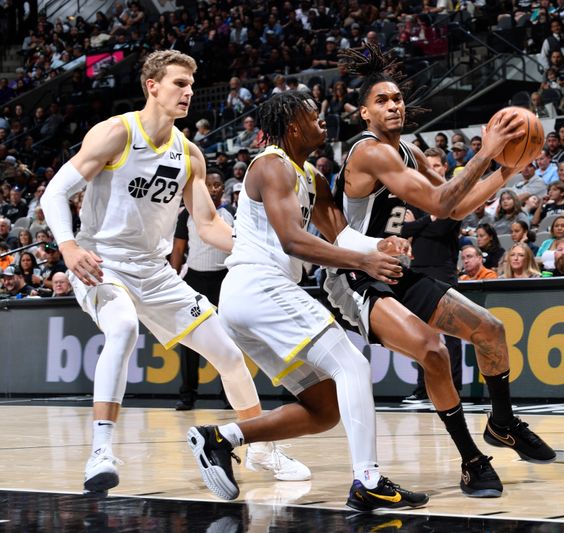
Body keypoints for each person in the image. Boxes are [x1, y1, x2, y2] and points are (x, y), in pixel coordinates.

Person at [40, 51, 305, 495]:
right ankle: (100, 451)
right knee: (122, 327)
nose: (188, 92)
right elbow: (54, 193)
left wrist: (259, 250)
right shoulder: (116, 133)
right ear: (153, 86)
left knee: (229, 353)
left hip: (156, 272)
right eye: (180, 83)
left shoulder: (190, 154)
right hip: (101, 262)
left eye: (190, 85)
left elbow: (207, 224)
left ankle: (259, 447)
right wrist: (67, 246)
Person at [326, 43, 556, 499]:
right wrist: (488, 151)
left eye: (397, 99)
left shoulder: (407, 152)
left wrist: (509, 169)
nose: (393, 105)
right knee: (433, 350)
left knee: (491, 331)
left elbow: (457, 205)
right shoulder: (369, 152)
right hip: (353, 273)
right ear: (364, 114)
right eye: (381, 101)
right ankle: (472, 461)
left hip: (393, 270)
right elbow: (440, 203)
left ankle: (503, 423)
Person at [187, 92, 428, 509]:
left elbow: (339, 234)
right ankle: (367, 480)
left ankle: (222, 438)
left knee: (323, 408)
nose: (322, 119)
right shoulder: (270, 165)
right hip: (260, 286)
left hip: (250, 301)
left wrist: (378, 244)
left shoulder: (309, 176)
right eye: (312, 114)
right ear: (293, 124)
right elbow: (293, 241)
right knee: (351, 364)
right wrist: (364, 262)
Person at [400, 147, 464, 403]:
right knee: (420, 336)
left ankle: (454, 390)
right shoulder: (410, 197)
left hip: (443, 271)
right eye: (429, 165)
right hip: (415, 272)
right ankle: (422, 389)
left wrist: (418, 224)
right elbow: (400, 229)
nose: (433, 170)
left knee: (453, 335)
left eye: (437, 166)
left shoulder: (453, 197)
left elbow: (442, 229)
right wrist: (429, 219)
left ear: (444, 168)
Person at [169, 169, 234, 412]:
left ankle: (230, 395)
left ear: (223, 189)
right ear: (202, 188)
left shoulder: (232, 215)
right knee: (190, 339)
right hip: (195, 280)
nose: (214, 188)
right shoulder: (187, 214)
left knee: (228, 340)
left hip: (224, 280)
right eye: (209, 184)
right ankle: (187, 395)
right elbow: (178, 250)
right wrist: (174, 278)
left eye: (218, 185)